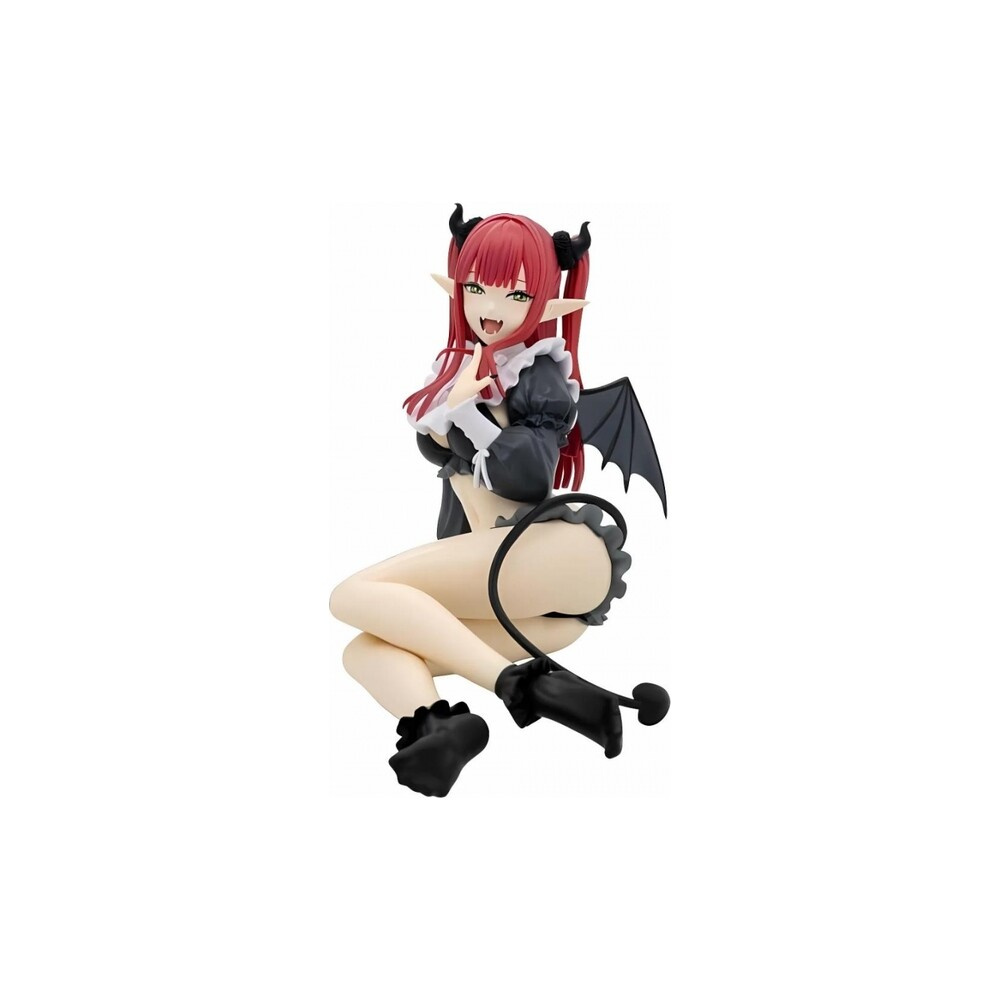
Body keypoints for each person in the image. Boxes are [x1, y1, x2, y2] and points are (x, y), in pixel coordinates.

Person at [329, 206, 667, 797]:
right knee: (366, 648)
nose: (491, 308)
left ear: (545, 303)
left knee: (351, 595)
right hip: (524, 597)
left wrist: (466, 414)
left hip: (553, 552)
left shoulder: (538, 375)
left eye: (516, 295)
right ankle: (440, 728)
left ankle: (519, 688)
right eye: (477, 288)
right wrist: (454, 409)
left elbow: (528, 475)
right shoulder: (463, 369)